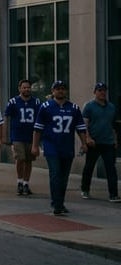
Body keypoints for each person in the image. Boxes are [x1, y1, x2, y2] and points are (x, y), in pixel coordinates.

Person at [32, 80, 89, 216]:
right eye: (57, 89)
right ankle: (56, 204)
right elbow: (38, 128)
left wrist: (84, 143)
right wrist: (35, 145)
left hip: (67, 146)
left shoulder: (74, 108)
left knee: (64, 177)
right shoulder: (46, 107)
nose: (60, 91)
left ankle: (60, 202)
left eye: (63, 89)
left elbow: (80, 128)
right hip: (51, 146)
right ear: (53, 92)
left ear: (66, 91)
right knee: (55, 174)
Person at [81, 83, 118, 202]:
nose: (102, 93)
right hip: (94, 143)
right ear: (95, 92)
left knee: (111, 169)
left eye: (104, 90)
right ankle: (85, 190)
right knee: (89, 167)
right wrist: (87, 138)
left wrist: (115, 139)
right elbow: (84, 124)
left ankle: (113, 194)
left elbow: (112, 125)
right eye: (100, 90)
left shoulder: (111, 107)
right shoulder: (89, 106)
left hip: (108, 143)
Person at [3, 79, 39, 196]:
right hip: (17, 135)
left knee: (29, 160)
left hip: (31, 135)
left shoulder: (36, 102)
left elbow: (41, 118)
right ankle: (19, 182)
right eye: (24, 87)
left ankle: (26, 183)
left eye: (28, 87)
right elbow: (7, 117)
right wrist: (5, 135)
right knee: (20, 159)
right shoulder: (13, 102)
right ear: (20, 89)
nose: (27, 89)